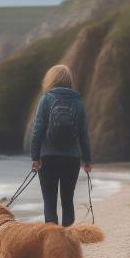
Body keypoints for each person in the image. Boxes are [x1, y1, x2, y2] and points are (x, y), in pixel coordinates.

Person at [30, 64, 92, 227]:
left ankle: (53, 243)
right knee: (67, 200)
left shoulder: (46, 99)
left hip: (47, 157)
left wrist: (35, 157)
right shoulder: (78, 101)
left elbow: (37, 130)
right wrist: (87, 160)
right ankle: (68, 240)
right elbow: (83, 134)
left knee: (49, 202)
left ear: (51, 79)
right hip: (71, 158)